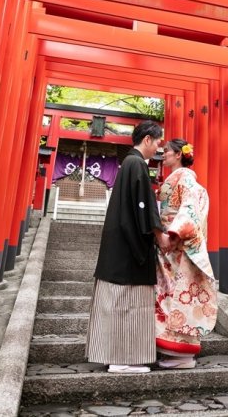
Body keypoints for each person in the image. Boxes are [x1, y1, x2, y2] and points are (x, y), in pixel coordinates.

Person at [85, 120, 169, 373]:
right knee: (127, 303)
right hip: (129, 251)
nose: (158, 148)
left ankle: (114, 356)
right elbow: (145, 208)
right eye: (157, 142)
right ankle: (122, 360)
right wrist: (159, 236)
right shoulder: (136, 165)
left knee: (118, 303)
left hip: (118, 247)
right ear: (147, 140)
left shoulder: (128, 164)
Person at [154, 139, 216, 369]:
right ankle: (173, 351)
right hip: (170, 244)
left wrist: (174, 233)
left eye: (167, 152)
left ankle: (182, 355)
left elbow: (189, 208)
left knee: (176, 293)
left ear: (179, 154)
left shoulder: (186, 177)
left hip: (175, 243)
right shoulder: (180, 178)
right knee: (168, 294)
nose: (163, 155)